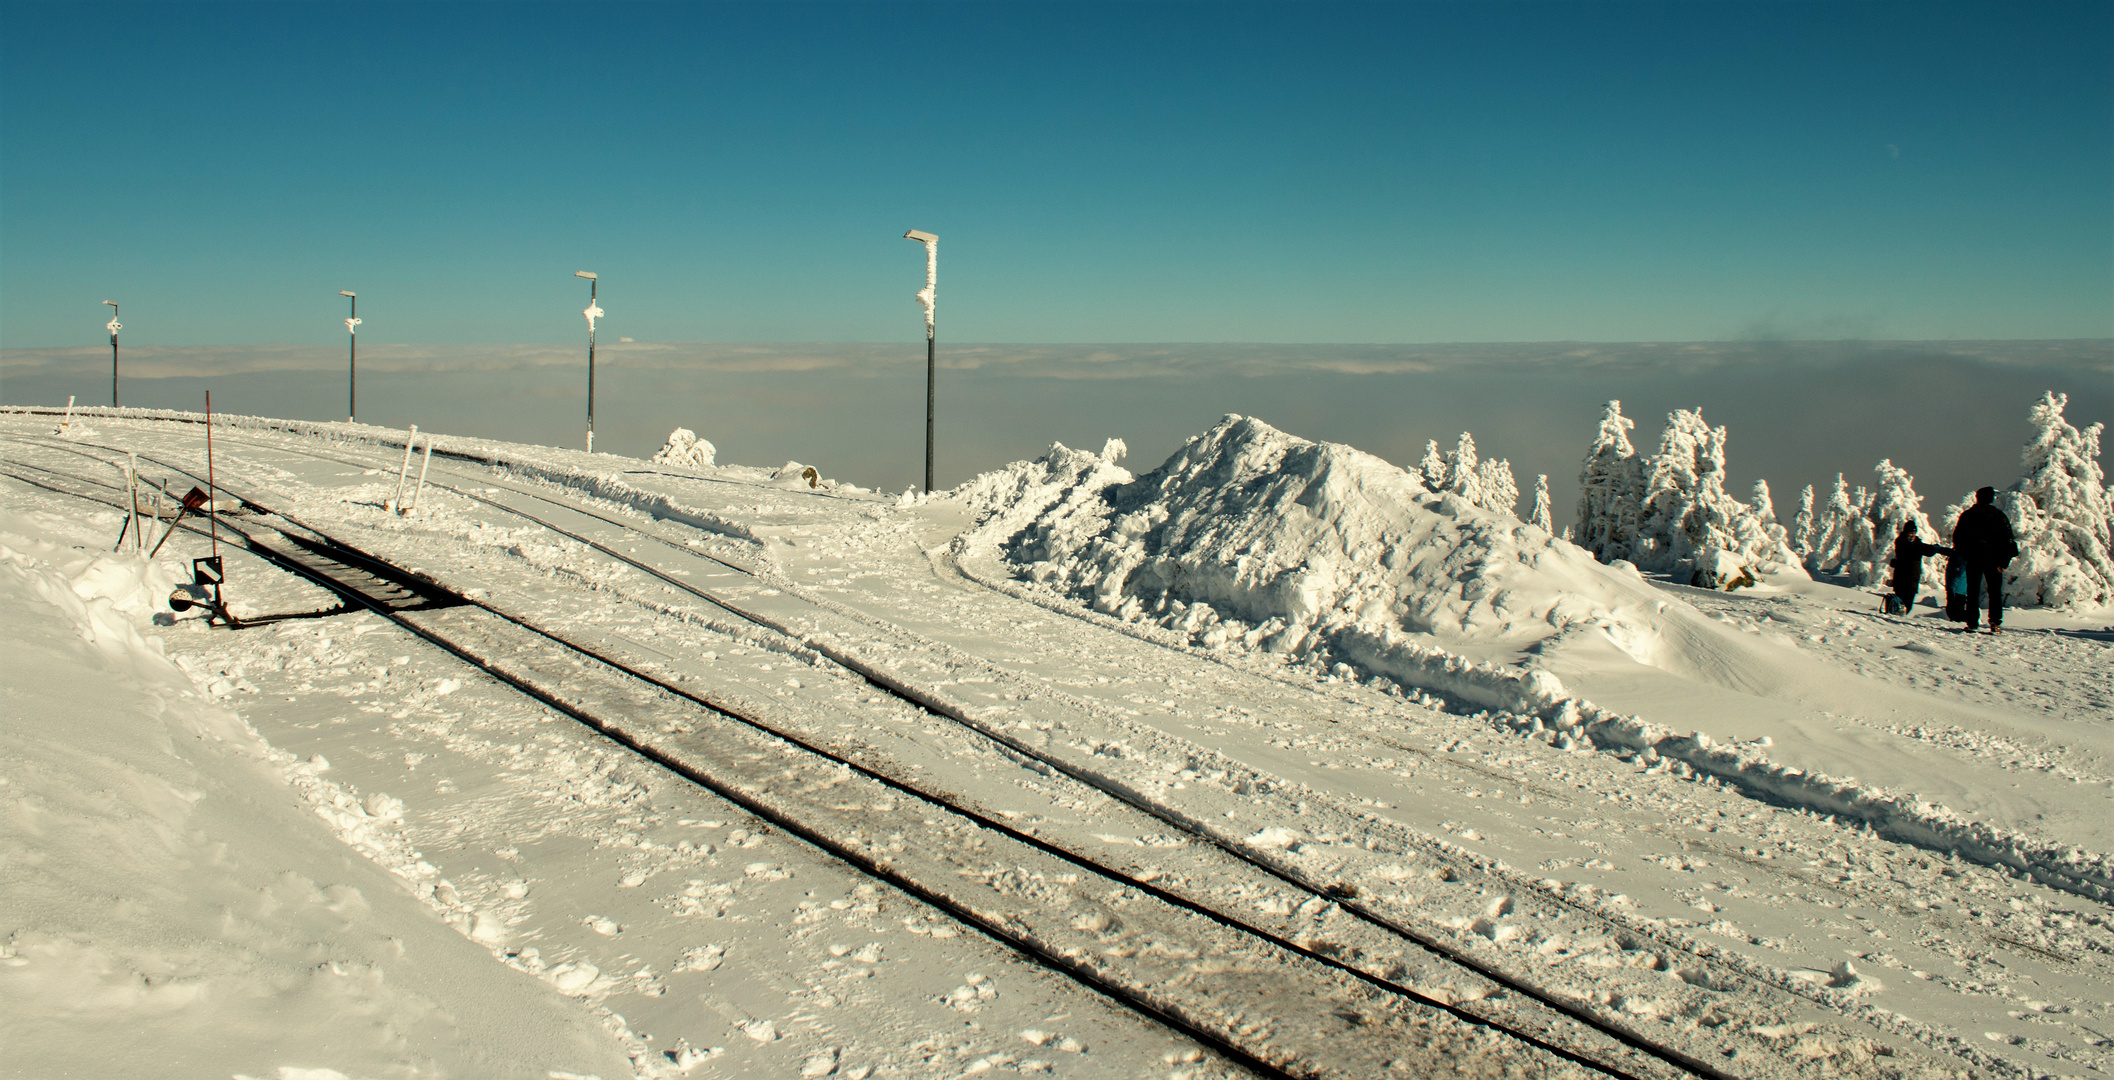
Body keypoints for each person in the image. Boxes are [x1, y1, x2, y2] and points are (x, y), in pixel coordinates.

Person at [1949, 486, 2019, 633]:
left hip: (1974, 559)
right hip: (1994, 561)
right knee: (1994, 592)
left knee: (1972, 591)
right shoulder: (1999, 516)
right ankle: (1995, 623)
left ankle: (1972, 622)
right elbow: (2008, 540)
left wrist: (1966, 555)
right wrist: (2004, 561)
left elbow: (1958, 538)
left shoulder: (1968, 515)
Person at [1886, 522, 1949, 615]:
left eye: (1914, 533)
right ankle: (1894, 616)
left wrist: (1936, 549)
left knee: (1908, 604)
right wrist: (1932, 549)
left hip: (1913, 579)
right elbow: (1913, 551)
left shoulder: (1917, 543)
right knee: (1900, 602)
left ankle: (1899, 615)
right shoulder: (1901, 542)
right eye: (1910, 533)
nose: (1912, 535)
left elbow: (1926, 550)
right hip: (1902, 578)